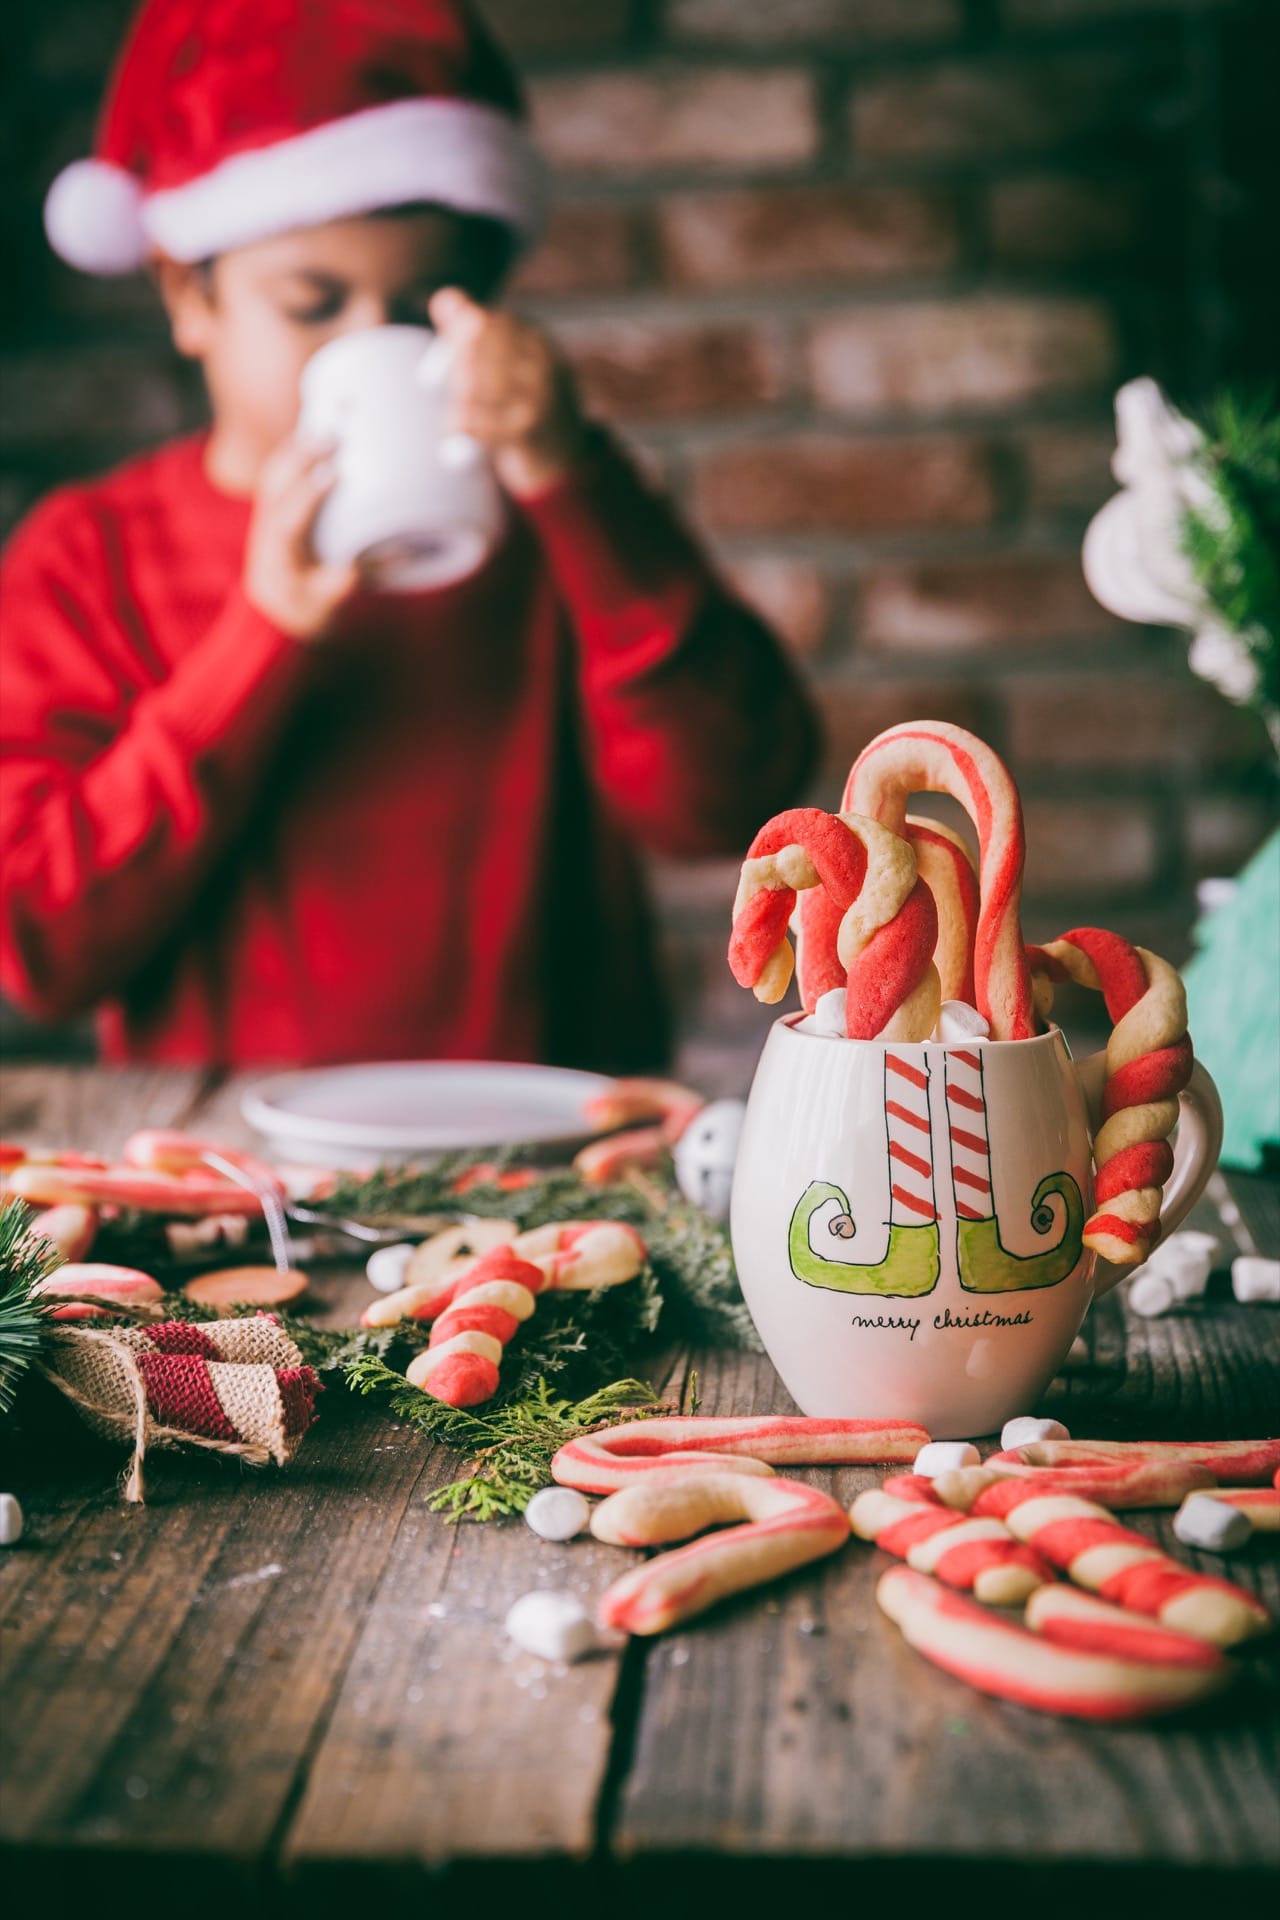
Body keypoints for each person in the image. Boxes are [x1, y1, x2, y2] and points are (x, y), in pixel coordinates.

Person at [0, 0, 817, 1073]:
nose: (373, 344)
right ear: (186, 296)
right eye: (311, 303)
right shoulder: (89, 555)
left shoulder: (558, 521)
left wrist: (579, 485)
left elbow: (731, 797)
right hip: (238, 1179)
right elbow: (40, 944)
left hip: (547, 1163)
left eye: (427, 301)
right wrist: (259, 639)